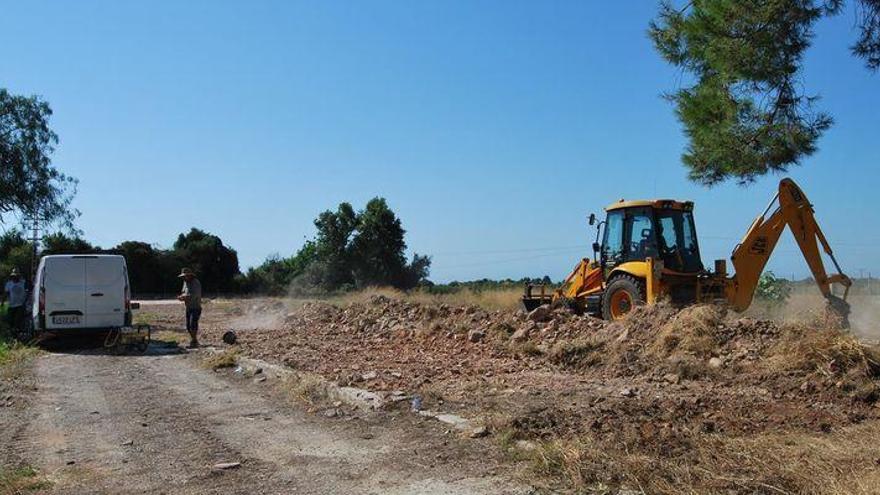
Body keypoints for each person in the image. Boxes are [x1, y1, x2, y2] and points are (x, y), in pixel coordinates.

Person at [176, 267, 202, 348]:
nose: (184, 277)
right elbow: (183, 292)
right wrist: (181, 296)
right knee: (188, 326)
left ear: (190, 275)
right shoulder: (185, 283)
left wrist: (185, 297)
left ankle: (194, 342)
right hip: (188, 307)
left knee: (192, 325)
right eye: (183, 276)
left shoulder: (196, 282)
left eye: (186, 276)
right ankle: (194, 340)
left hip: (195, 307)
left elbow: (195, 295)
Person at [2, 268, 27, 334]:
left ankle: (17, 331)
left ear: (19, 276)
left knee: (17, 320)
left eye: (16, 276)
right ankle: (11, 331)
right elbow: (6, 294)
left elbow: (28, 292)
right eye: (14, 276)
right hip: (11, 305)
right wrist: (2, 302)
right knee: (9, 320)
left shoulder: (23, 282)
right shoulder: (9, 284)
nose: (15, 277)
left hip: (20, 305)